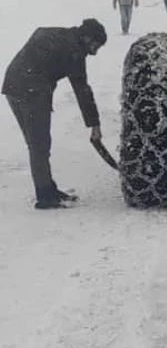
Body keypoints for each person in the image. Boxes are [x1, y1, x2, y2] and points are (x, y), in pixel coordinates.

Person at [2, 19, 107, 209]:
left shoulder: (60, 35)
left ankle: (48, 188)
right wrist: (95, 124)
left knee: (38, 144)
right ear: (87, 38)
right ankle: (45, 196)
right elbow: (82, 89)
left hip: (13, 85)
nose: (95, 51)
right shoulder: (74, 51)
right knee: (39, 144)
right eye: (95, 46)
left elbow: (38, 34)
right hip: (31, 91)